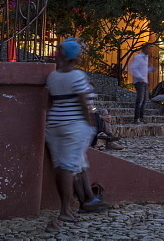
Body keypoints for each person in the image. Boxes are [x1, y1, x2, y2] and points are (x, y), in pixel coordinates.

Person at [44, 38, 109, 232]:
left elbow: (48, 103)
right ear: (75, 57)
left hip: (54, 125)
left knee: (63, 166)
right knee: (68, 167)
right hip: (74, 126)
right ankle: (65, 209)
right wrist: (90, 124)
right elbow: (83, 104)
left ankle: (84, 200)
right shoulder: (78, 76)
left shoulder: (53, 77)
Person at [128, 43, 153, 123]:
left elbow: (143, 69)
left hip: (144, 81)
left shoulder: (146, 58)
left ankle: (141, 117)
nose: (150, 50)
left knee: (145, 100)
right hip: (139, 81)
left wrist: (150, 69)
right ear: (144, 49)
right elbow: (133, 67)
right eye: (148, 48)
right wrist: (140, 77)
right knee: (140, 100)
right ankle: (136, 118)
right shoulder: (138, 57)